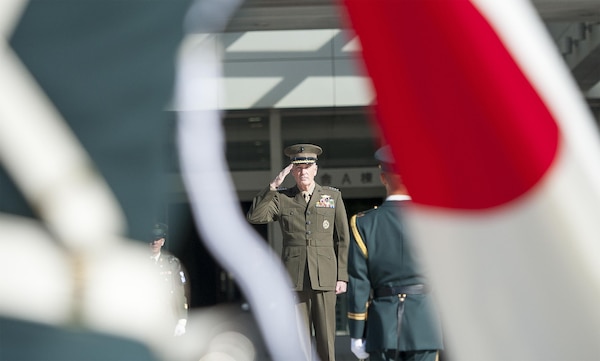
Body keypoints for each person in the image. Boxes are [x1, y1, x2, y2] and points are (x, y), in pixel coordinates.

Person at [247, 143, 350, 361]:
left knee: (325, 338)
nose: (303, 171)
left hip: (325, 276)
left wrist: (342, 275)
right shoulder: (282, 198)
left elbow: (342, 238)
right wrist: (273, 186)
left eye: (307, 166)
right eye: (298, 168)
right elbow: (255, 217)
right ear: (292, 171)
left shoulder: (332, 197)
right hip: (294, 277)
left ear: (315, 169)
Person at [346, 145, 444, 361]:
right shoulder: (434, 220)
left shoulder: (363, 223)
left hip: (382, 327)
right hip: (424, 324)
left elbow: (358, 283)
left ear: (383, 178)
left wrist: (356, 333)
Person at [149, 223, 189, 337]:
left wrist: (182, 320)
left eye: (158, 239)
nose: (154, 242)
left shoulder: (171, 263)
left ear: (162, 242)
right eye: (152, 239)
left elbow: (179, 292)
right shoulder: (138, 262)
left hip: (167, 318)